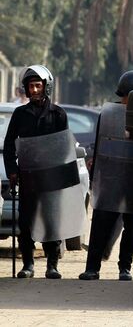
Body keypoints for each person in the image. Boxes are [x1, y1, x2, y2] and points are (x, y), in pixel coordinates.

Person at [79, 70, 133, 281]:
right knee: (101, 222)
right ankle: (92, 267)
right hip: (111, 176)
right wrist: (96, 174)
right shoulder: (108, 114)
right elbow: (100, 145)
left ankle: (125, 267)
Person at [2, 65, 68, 279]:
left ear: (46, 87)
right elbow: (9, 143)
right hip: (28, 176)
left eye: (38, 85)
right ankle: (28, 264)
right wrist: (12, 170)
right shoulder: (20, 114)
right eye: (31, 86)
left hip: (50, 178)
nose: (35, 90)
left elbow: (65, 146)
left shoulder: (58, 114)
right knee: (26, 221)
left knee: (51, 221)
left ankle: (52, 264)